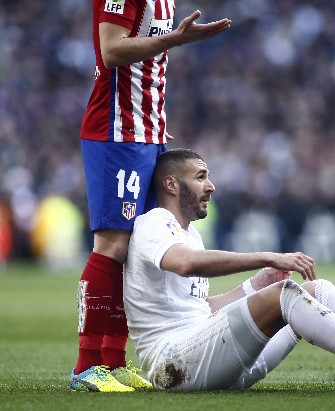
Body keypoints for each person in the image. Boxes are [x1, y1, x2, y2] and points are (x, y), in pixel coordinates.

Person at [119, 148, 335, 392]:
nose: (211, 186)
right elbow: (186, 264)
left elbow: (204, 309)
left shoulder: (189, 233)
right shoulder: (154, 222)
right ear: (171, 184)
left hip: (212, 358)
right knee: (286, 295)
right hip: (174, 366)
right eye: (201, 177)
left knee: (316, 291)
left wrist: (256, 285)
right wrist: (269, 258)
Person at [69, 1, 232, 392]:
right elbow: (111, 50)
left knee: (138, 242)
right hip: (116, 133)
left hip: (146, 133)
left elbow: (146, 69)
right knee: (112, 244)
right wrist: (177, 38)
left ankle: (113, 360)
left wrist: (155, 118)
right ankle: (86, 366)